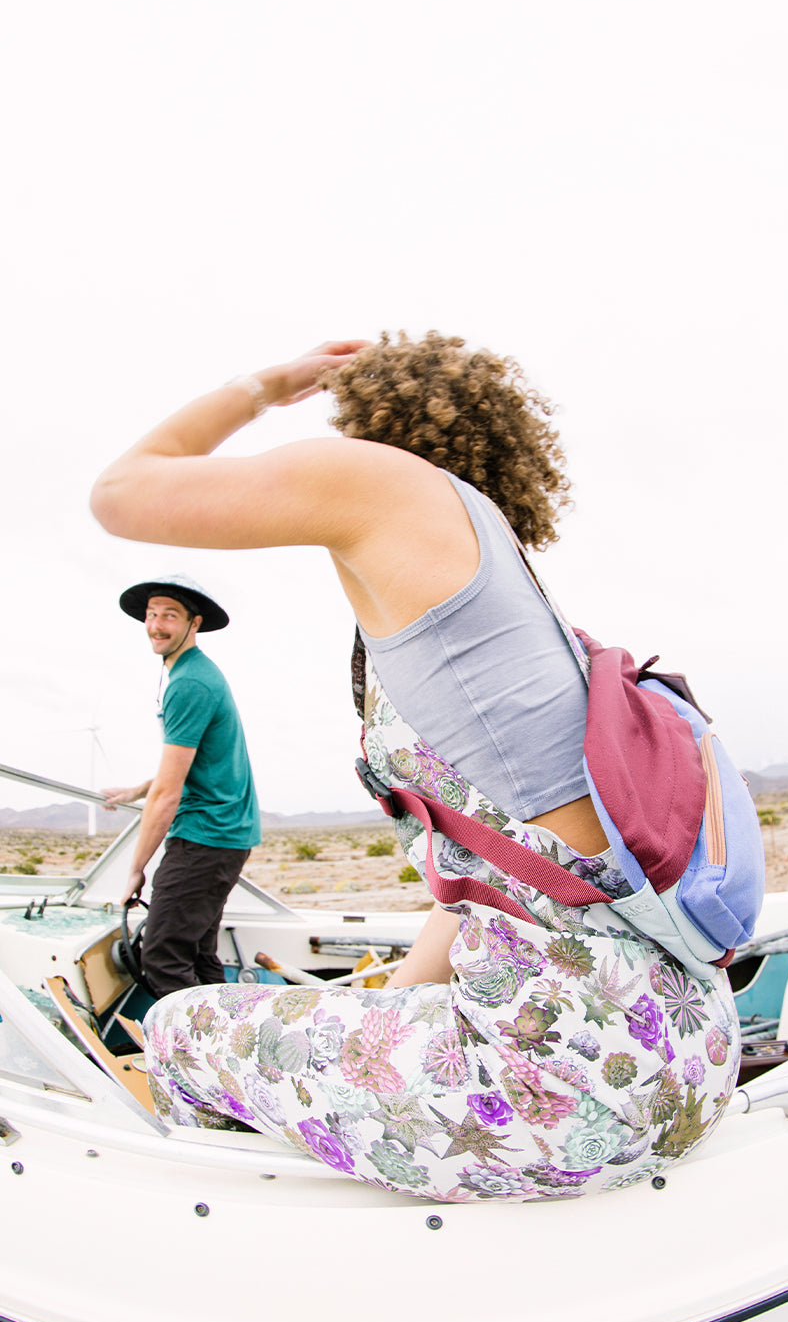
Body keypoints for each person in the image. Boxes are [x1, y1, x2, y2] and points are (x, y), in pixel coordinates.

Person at [90, 333, 740, 1201]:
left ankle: (225, 1241)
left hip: (556, 1098)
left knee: (178, 1023)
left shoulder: (387, 482)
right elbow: (486, 884)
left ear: (372, 422)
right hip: (679, 1064)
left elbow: (121, 493)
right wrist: (373, 1019)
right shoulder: (505, 601)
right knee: (358, 1020)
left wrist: (268, 385)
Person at [103, 574, 261, 998]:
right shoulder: (195, 674)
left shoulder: (189, 683)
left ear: (195, 623)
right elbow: (195, 764)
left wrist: (135, 868)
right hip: (225, 835)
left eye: (169, 615)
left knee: (162, 958)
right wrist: (135, 792)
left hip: (205, 837)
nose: (156, 625)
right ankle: (227, 1033)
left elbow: (169, 793)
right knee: (198, 954)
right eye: (151, 614)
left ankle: (190, 1041)